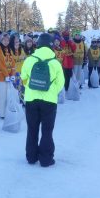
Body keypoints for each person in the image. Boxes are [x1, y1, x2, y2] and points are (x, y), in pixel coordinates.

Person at [21, 33, 64, 167]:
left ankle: (31, 157)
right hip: (49, 101)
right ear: (51, 45)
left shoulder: (29, 60)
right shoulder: (55, 62)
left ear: (37, 44)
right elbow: (61, 82)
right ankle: (46, 159)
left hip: (31, 100)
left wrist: (31, 89)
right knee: (47, 130)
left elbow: (23, 78)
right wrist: (51, 92)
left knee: (32, 129)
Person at [0, 32, 16, 119]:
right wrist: (6, 75)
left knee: (8, 94)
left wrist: (12, 74)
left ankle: (8, 112)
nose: (6, 42)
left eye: (7, 40)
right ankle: (2, 113)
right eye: (4, 40)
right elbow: (0, 64)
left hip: (8, 76)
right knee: (2, 95)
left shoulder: (9, 49)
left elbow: (13, 62)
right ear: (1, 40)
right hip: (1, 76)